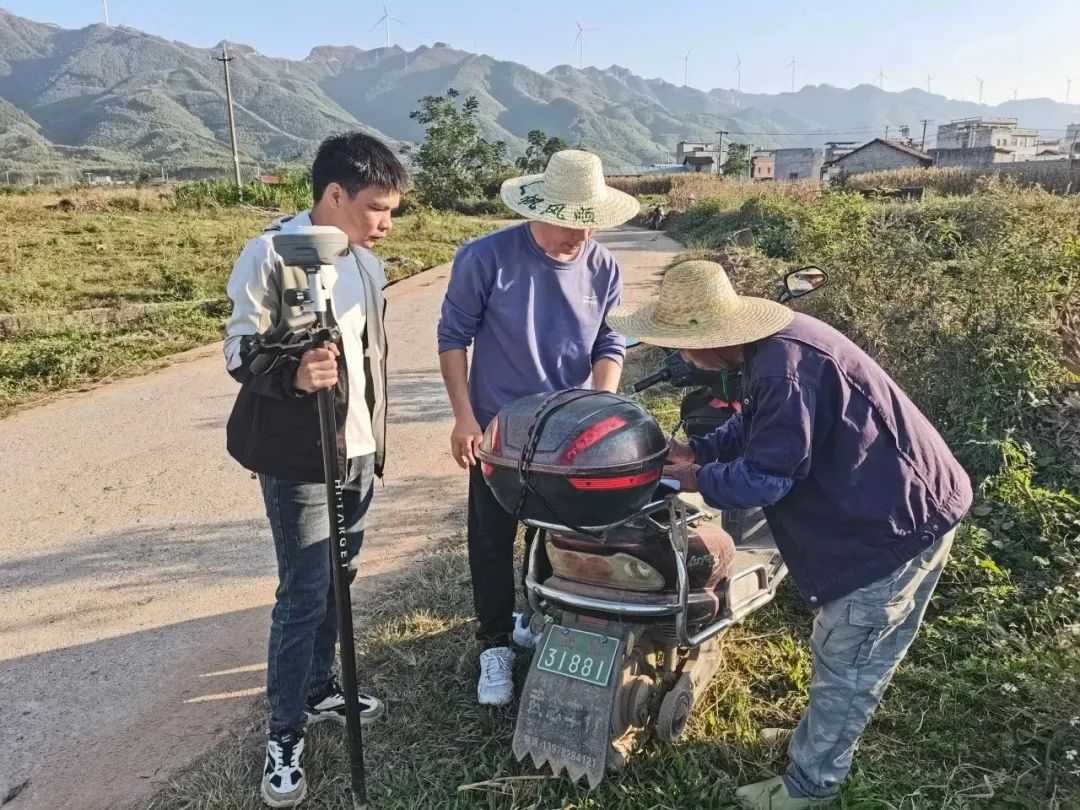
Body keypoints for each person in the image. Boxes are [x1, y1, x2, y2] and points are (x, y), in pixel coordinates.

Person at [607, 260, 972, 809]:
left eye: (682, 345)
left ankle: (811, 785)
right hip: (886, 499)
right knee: (837, 647)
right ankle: (816, 741)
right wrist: (700, 452)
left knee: (849, 659)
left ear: (713, 338)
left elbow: (766, 480)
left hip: (896, 523)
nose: (680, 357)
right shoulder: (772, 349)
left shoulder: (784, 369)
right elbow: (755, 425)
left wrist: (694, 478)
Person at [223, 132, 407, 808]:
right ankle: (284, 733)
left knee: (341, 574)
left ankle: (321, 684)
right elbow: (238, 351)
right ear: (335, 195)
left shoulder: (367, 265)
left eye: (391, 211)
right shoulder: (271, 255)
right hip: (301, 457)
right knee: (304, 589)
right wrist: (294, 372)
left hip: (357, 450)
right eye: (376, 208)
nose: (385, 224)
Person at [437, 149, 640, 706]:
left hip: (569, 433)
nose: (580, 232)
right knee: (491, 535)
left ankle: (534, 615)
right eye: (568, 218)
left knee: (553, 533)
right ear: (538, 209)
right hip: (499, 431)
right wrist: (464, 418)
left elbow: (609, 341)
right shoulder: (484, 258)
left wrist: (600, 408)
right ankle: (494, 643)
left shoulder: (603, 267)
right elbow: (453, 337)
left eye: (589, 219)